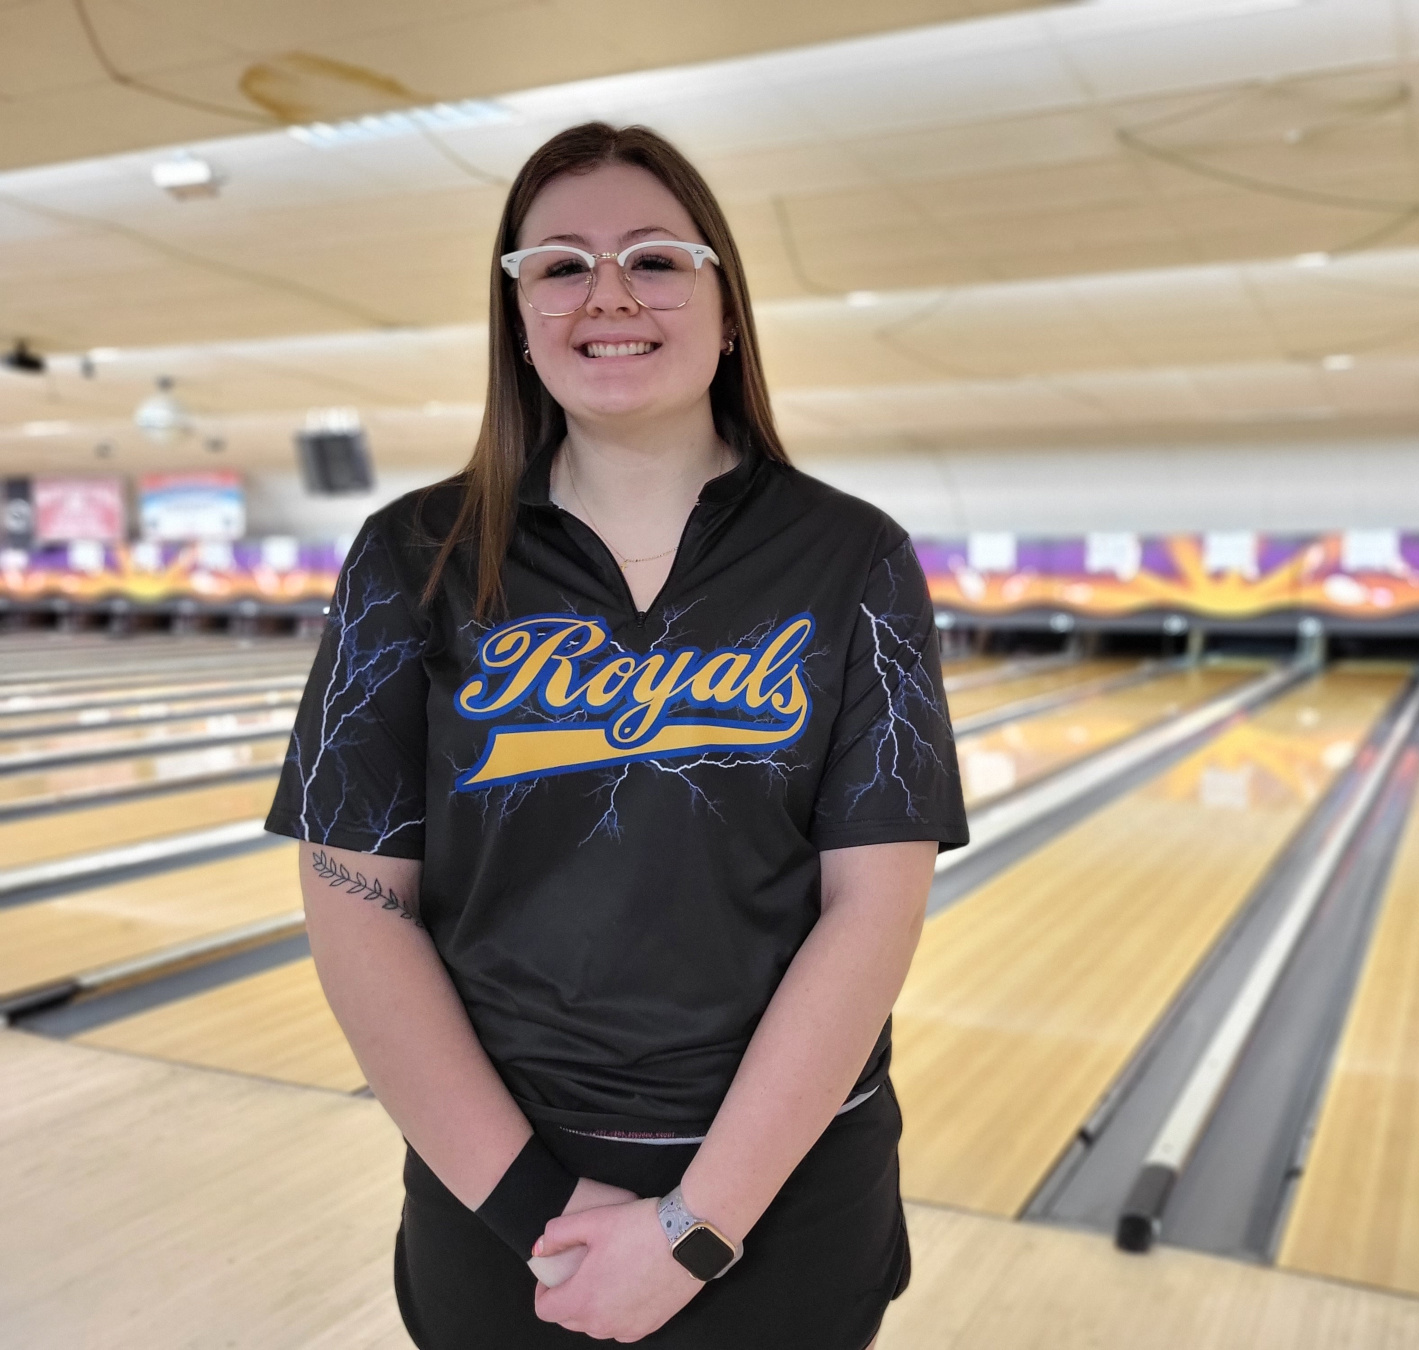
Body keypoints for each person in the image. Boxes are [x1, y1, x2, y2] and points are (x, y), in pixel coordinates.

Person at [266, 121, 966, 1348]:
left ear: (726, 304)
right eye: (559, 265)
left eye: (653, 257)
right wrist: (540, 1209)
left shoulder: (855, 558)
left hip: (787, 1188)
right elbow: (355, 906)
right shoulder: (409, 559)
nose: (608, 294)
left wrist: (698, 1225)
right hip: (501, 1194)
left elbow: (874, 911)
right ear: (520, 315)